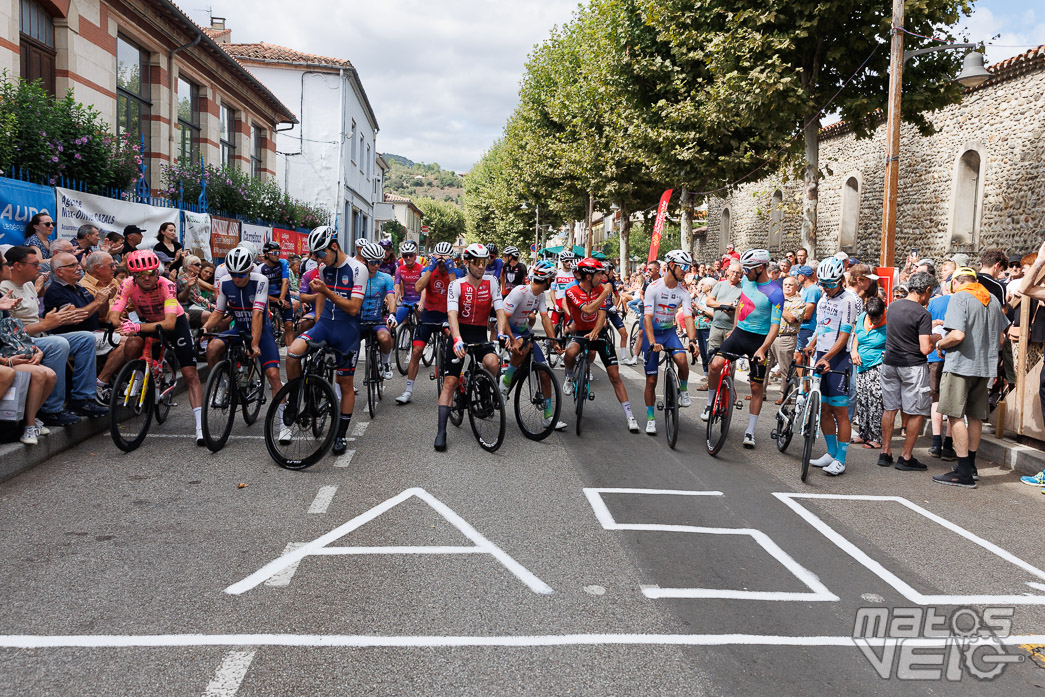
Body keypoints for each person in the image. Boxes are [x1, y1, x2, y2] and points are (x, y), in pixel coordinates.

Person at [0, 246, 106, 423]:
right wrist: (49, 323)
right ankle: (51, 409)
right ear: (17, 266)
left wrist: (57, 319)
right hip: (17, 343)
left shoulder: (28, 285)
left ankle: (82, 399)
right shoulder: (5, 289)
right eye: (35, 264)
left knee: (86, 338)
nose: (39, 268)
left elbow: (36, 319)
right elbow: (10, 333)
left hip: (37, 336)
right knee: (58, 343)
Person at [108, 249, 205, 442]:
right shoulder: (127, 284)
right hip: (147, 322)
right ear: (133, 275)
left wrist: (135, 326)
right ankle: (136, 375)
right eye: (140, 274)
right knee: (133, 342)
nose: (146, 278)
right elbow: (114, 312)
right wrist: (119, 325)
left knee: (189, 373)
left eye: (150, 273)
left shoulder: (166, 285)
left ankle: (200, 426)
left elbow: (169, 323)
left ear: (157, 273)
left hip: (174, 323)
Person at [289, 227, 368, 455]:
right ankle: (295, 398)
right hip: (324, 325)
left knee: (344, 383)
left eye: (320, 254)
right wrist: (316, 323)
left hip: (347, 330)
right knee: (294, 351)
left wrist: (326, 290)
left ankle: (341, 434)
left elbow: (354, 308)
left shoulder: (357, 269)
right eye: (314, 255)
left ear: (334, 246)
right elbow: (321, 299)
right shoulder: (324, 269)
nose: (318, 260)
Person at [202, 246, 291, 444]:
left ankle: (284, 425)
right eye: (233, 274)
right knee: (212, 348)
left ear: (250, 269)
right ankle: (223, 383)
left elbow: (258, 314)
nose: (236, 278)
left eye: (241, 274)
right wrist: (207, 328)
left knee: (274, 376)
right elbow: (219, 311)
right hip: (239, 327)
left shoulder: (260, 281)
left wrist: (255, 344)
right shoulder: (225, 283)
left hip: (261, 331)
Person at [931, 267, 1009, 488]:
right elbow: (1002, 340)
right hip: (985, 367)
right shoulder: (992, 299)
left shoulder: (960, 298)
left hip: (961, 365)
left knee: (955, 415)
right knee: (974, 416)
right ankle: (971, 466)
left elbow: (957, 335)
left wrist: (940, 344)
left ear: (956, 283)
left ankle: (963, 471)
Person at [702, 249, 783, 449]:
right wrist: (735, 327)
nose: (744, 273)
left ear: (761, 268)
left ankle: (750, 431)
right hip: (739, 334)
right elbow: (740, 305)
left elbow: (775, 326)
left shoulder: (775, 292)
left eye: (748, 269)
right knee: (715, 365)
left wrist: (763, 349)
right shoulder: (746, 282)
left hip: (759, 341)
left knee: (756, 388)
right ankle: (710, 404)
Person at [435, 243, 506, 451]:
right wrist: (456, 339)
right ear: (466, 263)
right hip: (461, 334)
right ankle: (441, 431)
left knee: (492, 362)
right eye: (476, 262)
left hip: (479, 334)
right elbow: (452, 314)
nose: (480, 266)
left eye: (483, 262)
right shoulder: (456, 285)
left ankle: (484, 391)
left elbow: (500, 310)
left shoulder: (491, 282)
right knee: (449, 382)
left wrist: (500, 333)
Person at [561, 257, 638, 433]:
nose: (602, 276)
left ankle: (630, 416)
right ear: (588, 276)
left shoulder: (600, 288)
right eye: (598, 274)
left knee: (614, 376)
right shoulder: (572, 291)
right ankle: (569, 376)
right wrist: (605, 293)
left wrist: (596, 330)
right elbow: (588, 310)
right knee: (570, 352)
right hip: (580, 332)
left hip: (598, 332)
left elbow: (602, 313)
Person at [42, 251, 126, 403]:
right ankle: (100, 383)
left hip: (93, 332)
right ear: (59, 272)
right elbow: (75, 316)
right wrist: (97, 301)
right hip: (74, 335)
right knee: (124, 342)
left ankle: (117, 382)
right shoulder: (55, 291)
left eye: (78, 264)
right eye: (72, 265)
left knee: (133, 337)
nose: (79, 268)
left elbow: (101, 315)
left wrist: (104, 300)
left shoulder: (77, 287)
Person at [878, 272, 940, 471]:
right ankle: (905, 456)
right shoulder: (923, 314)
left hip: (890, 362)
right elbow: (924, 348)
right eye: (930, 294)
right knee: (916, 412)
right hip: (912, 366)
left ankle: (885, 452)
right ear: (927, 290)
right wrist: (935, 339)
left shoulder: (893, 306)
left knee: (890, 408)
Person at [807, 258, 861, 476]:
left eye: (831, 284)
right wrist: (811, 345)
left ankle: (841, 458)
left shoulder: (848, 300)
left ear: (840, 280)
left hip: (840, 358)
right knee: (824, 408)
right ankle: (830, 452)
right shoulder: (822, 297)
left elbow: (844, 334)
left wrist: (828, 357)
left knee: (840, 411)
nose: (827, 288)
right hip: (822, 354)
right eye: (823, 284)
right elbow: (821, 327)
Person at [498, 260, 567, 430]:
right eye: (552, 279)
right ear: (547, 279)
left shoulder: (540, 296)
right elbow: (503, 318)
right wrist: (512, 340)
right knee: (523, 344)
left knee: (544, 373)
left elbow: (545, 319)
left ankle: (548, 417)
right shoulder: (520, 292)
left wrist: (553, 342)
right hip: (509, 331)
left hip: (524, 333)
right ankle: (505, 382)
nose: (552, 282)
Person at [395, 241, 463, 405]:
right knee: (417, 351)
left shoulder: (457, 272)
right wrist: (430, 269)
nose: (441, 261)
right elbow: (418, 289)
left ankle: (457, 385)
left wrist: (450, 269)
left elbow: (457, 291)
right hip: (429, 314)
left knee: (454, 346)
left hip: (448, 315)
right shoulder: (428, 271)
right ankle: (408, 391)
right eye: (438, 258)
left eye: (444, 258)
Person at [641, 250, 698, 435]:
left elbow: (688, 317)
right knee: (651, 380)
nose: (686, 272)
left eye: (688, 268)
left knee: (682, 360)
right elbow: (647, 318)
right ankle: (650, 419)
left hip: (669, 333)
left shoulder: (683, 291)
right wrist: (651, 342)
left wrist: (692, 341)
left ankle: (683, 389)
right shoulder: (654, 287)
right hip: (653, 334)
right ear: (672, 266)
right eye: (684, 267)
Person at [0, 294, 57, 445]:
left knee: (50, 375)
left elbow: (15, 333)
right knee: (39, 373)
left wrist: (36, 350)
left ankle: (29, 420)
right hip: (4, 358)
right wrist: (5, 361)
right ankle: (29, 426)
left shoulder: (1, 297)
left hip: (9, 352)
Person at [357, 242, 398, 380]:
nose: (376, 265)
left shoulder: (385, 277)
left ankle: (386, 362)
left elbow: (391, 297)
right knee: (348, 346)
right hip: (358, 321)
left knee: (385, 337)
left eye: (379, 262)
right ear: (364, 261)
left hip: (376, 320)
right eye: (373, 262)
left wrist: (392, 314)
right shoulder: (356, 276)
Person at [851, 296, 887, 449]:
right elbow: (857, 336)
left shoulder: (889, 321)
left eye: (876, 318)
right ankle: (863, 433)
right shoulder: (862, 317)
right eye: (871, 318)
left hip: (878, 364)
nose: (873, 322)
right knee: (863, 399)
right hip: (861, 365)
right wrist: (854, 351)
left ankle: (876, 437)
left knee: (876, 401)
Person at [926, 275, 955, 460]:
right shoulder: (963, 301)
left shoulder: (935, 303)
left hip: (934, 356)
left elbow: (925, 326)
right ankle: (949, 445)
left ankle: (936, 442)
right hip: (955, 354)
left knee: (936, 398)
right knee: (953, 400)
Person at [771, 275, 804, 401]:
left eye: (790, 285)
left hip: (786, 338)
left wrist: (779, 305)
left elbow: (791, 318)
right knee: (764, 366)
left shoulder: (799, 302)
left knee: (785, 370)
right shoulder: (777, 298)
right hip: (771, 336)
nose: (787, 287)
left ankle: (784, 396)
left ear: (797, 287)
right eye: (785, 285)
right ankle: (760, 393)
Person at [259, 241, 295, 347]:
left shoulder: (283, 263)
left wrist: (282, 299)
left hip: (283, 294)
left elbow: (285, 281)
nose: (277, 255)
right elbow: (261, 292)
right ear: (266, 254)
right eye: (274, 253)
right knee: (265, 323)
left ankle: (290, 352)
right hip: (268, 297)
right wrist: (276, 300)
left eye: (279, 252)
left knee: (289, 325)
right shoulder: (261, 269)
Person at [704, 261, 742, 353]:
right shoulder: (720, 285)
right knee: (712, 355)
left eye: (737, 272)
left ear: (741, 274)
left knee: (729, 357)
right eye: (733, 271)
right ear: (728, 271)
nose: (735, 274)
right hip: (716, 327)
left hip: (731, 329)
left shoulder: (743, 288)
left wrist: (735, 309)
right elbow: (709, 302)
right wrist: (723, 305)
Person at [691, 277, 715, 388]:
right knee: (702, 350)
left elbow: (714, 314)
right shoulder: (702, 297)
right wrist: (695, 309)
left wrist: (701, 308)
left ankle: (710, 375)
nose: (701, 286)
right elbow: (697, 312)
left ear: (709, 286)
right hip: (699, 326)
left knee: (707, 351)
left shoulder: (712, 298)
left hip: (708, 327)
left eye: (703, 284)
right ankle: (706, 372)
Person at [393, 240, 423, 326]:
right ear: (402, 257)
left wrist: (421, 302)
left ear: (415, 256)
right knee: (394, 324)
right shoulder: (400, 269)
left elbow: (424, 288)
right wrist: (393, 302)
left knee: (421, 323)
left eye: (411, 255)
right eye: (405, 256)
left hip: (418, 300)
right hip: (406, 300)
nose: (408, 258)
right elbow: (397, 286)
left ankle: (419, 331)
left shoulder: (421, 269)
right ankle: (403, 334)